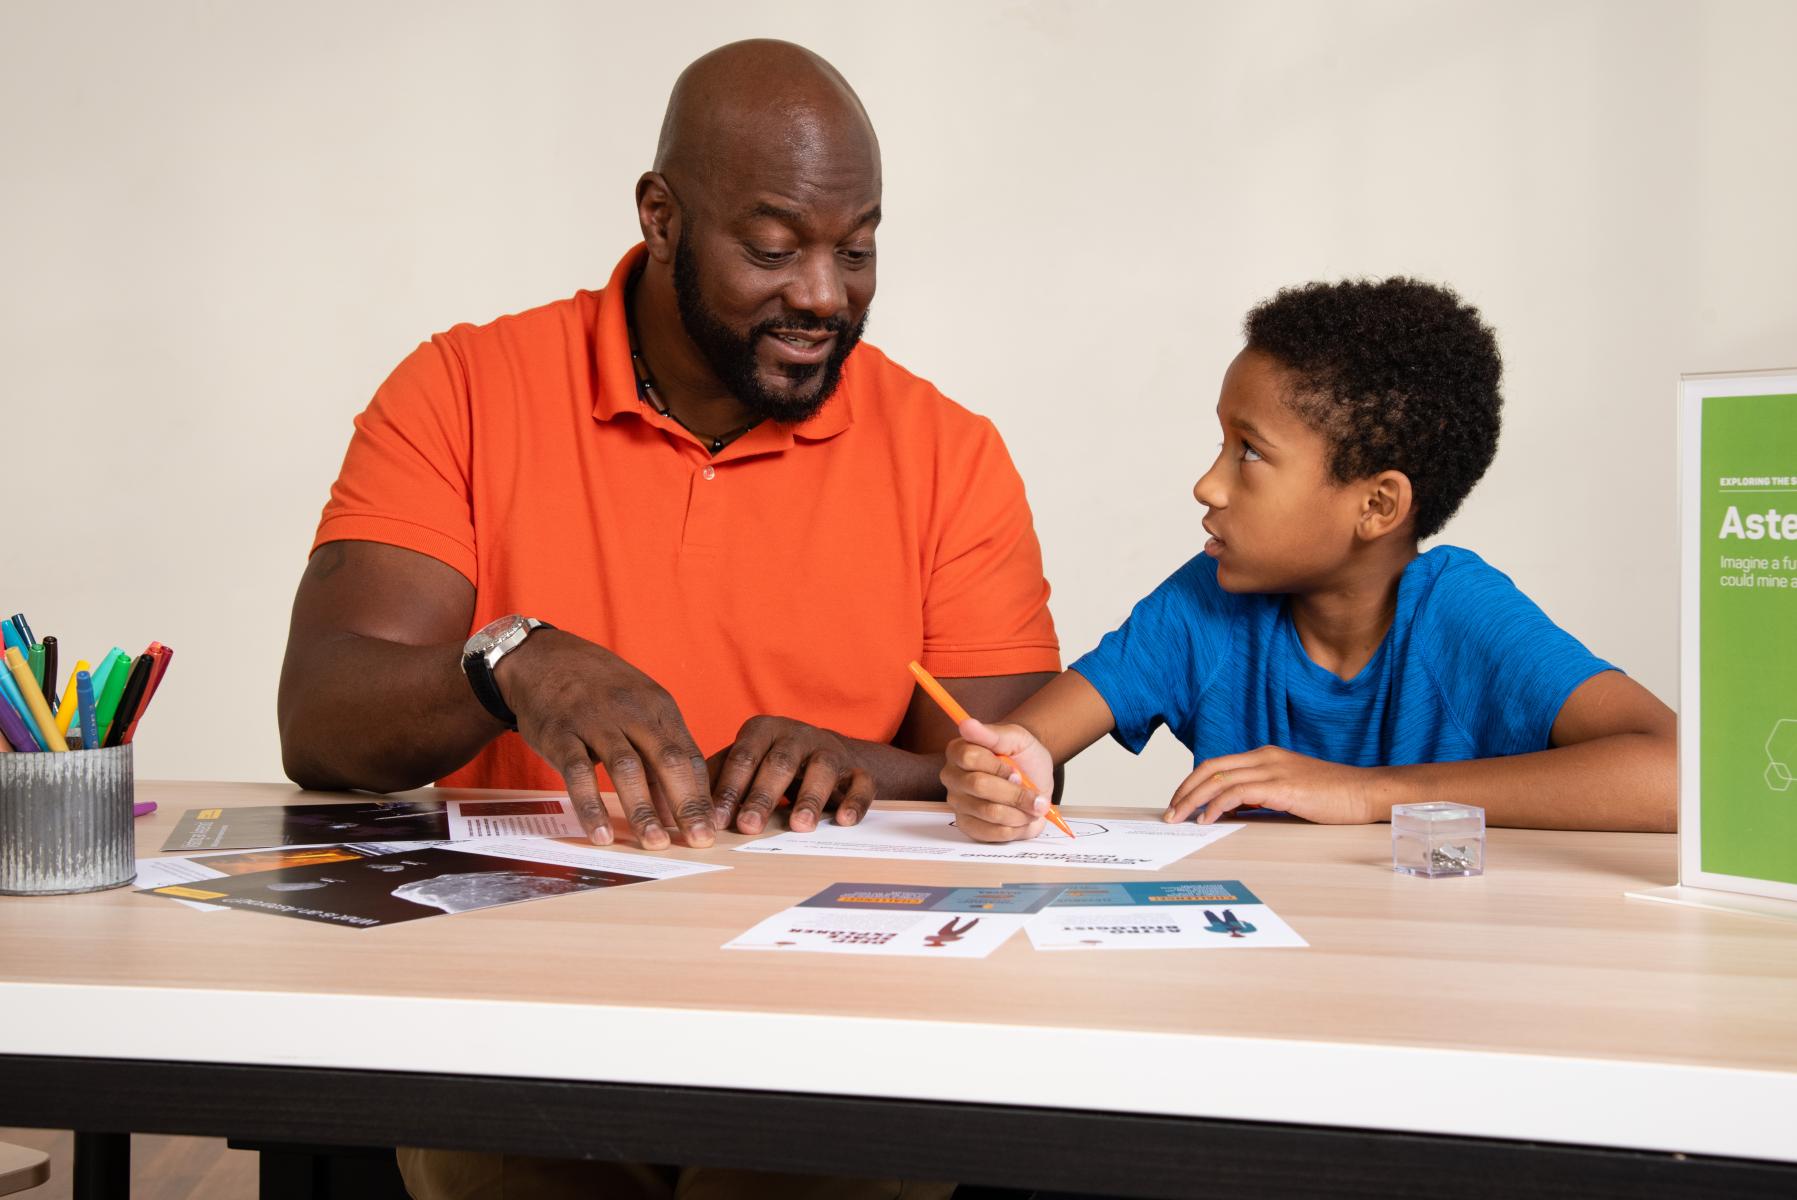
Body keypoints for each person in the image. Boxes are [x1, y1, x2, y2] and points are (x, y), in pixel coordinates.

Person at [278, 36, 1055, 1200]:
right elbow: (320, 721)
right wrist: (507, 663)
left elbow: (1005, 785)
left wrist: (857, 762)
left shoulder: (951, 455)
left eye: (858, 249)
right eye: (774, 248)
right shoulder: (462, 391)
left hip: (842, 1023)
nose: (824, 297)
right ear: (661, 217)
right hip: (521, 1013)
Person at [941, 278, 1676, 841]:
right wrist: (1009, 768)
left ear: (1376, 507)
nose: (1207, 484)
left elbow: (1679, 773)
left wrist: (1364, 793)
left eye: (1249, 453)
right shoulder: (1205, 604)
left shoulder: (1457, 611)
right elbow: (1032, 739)